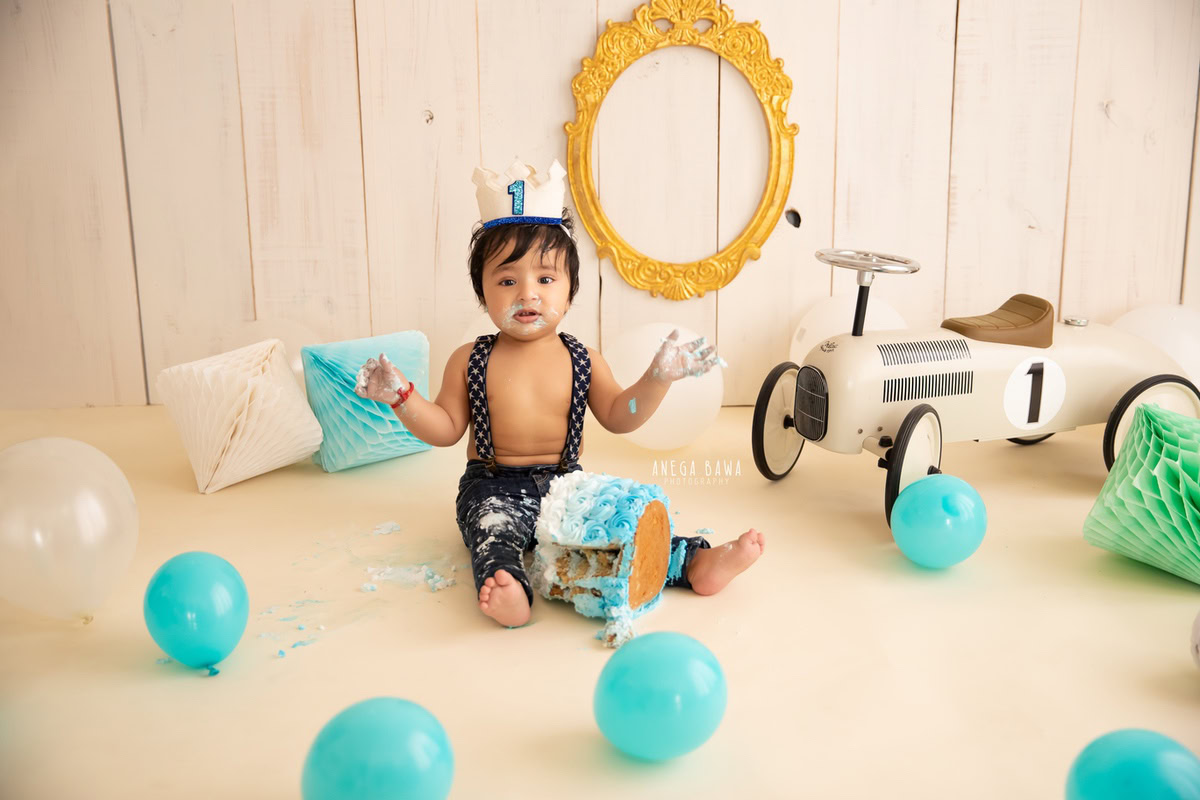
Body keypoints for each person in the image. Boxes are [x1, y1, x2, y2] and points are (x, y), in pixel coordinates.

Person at [355, 159, 764, 627]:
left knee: (615, 525)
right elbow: (446, 429)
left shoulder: (583, 359)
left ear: (569, 293)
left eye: (545, 279)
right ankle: (508, 584)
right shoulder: (470, 359)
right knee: (494, 534)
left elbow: (621, 415)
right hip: (492, 486)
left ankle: (691, 562)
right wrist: (402, 396)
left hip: (565, 484)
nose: (527, 294)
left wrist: (657, 378)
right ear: (483, 294)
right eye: (507, 281)